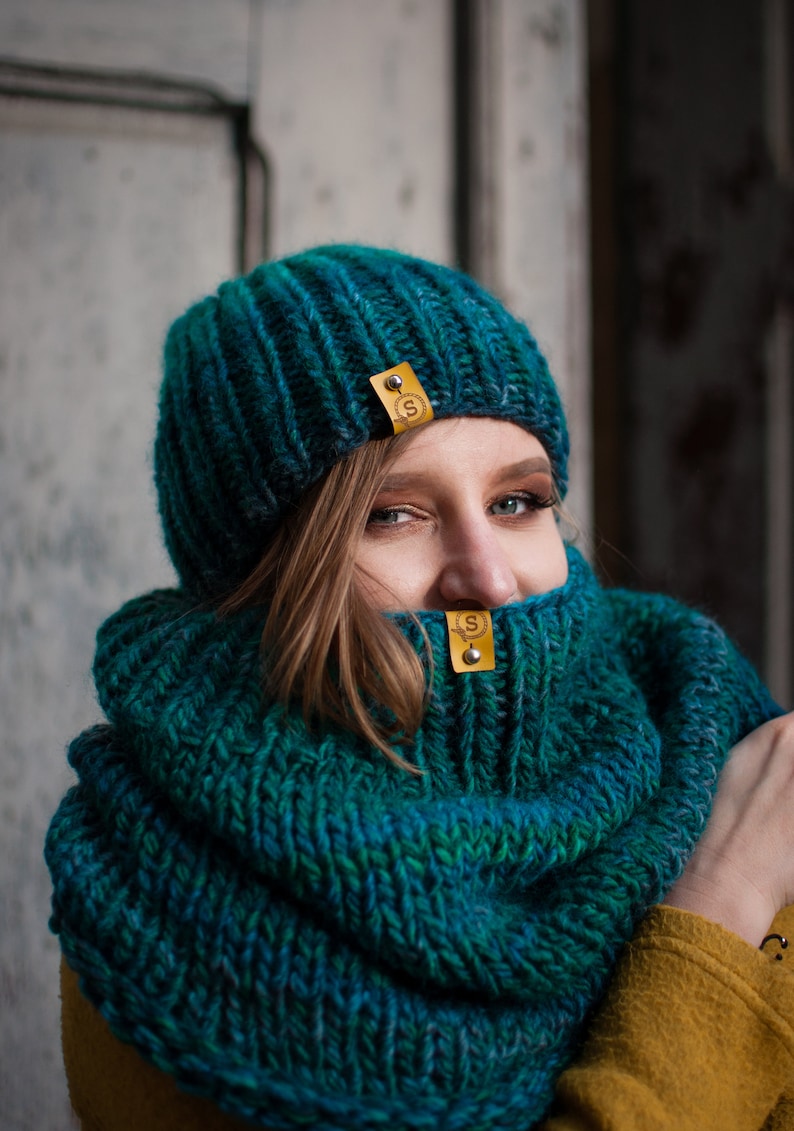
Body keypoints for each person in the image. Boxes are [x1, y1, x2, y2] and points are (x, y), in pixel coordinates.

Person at [46, 245, 794, 1131]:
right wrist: (721, 907)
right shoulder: (155, 900)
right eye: (393, 513)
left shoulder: (703, 728)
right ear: (260, 581)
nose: (489, 578)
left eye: (517, 501)